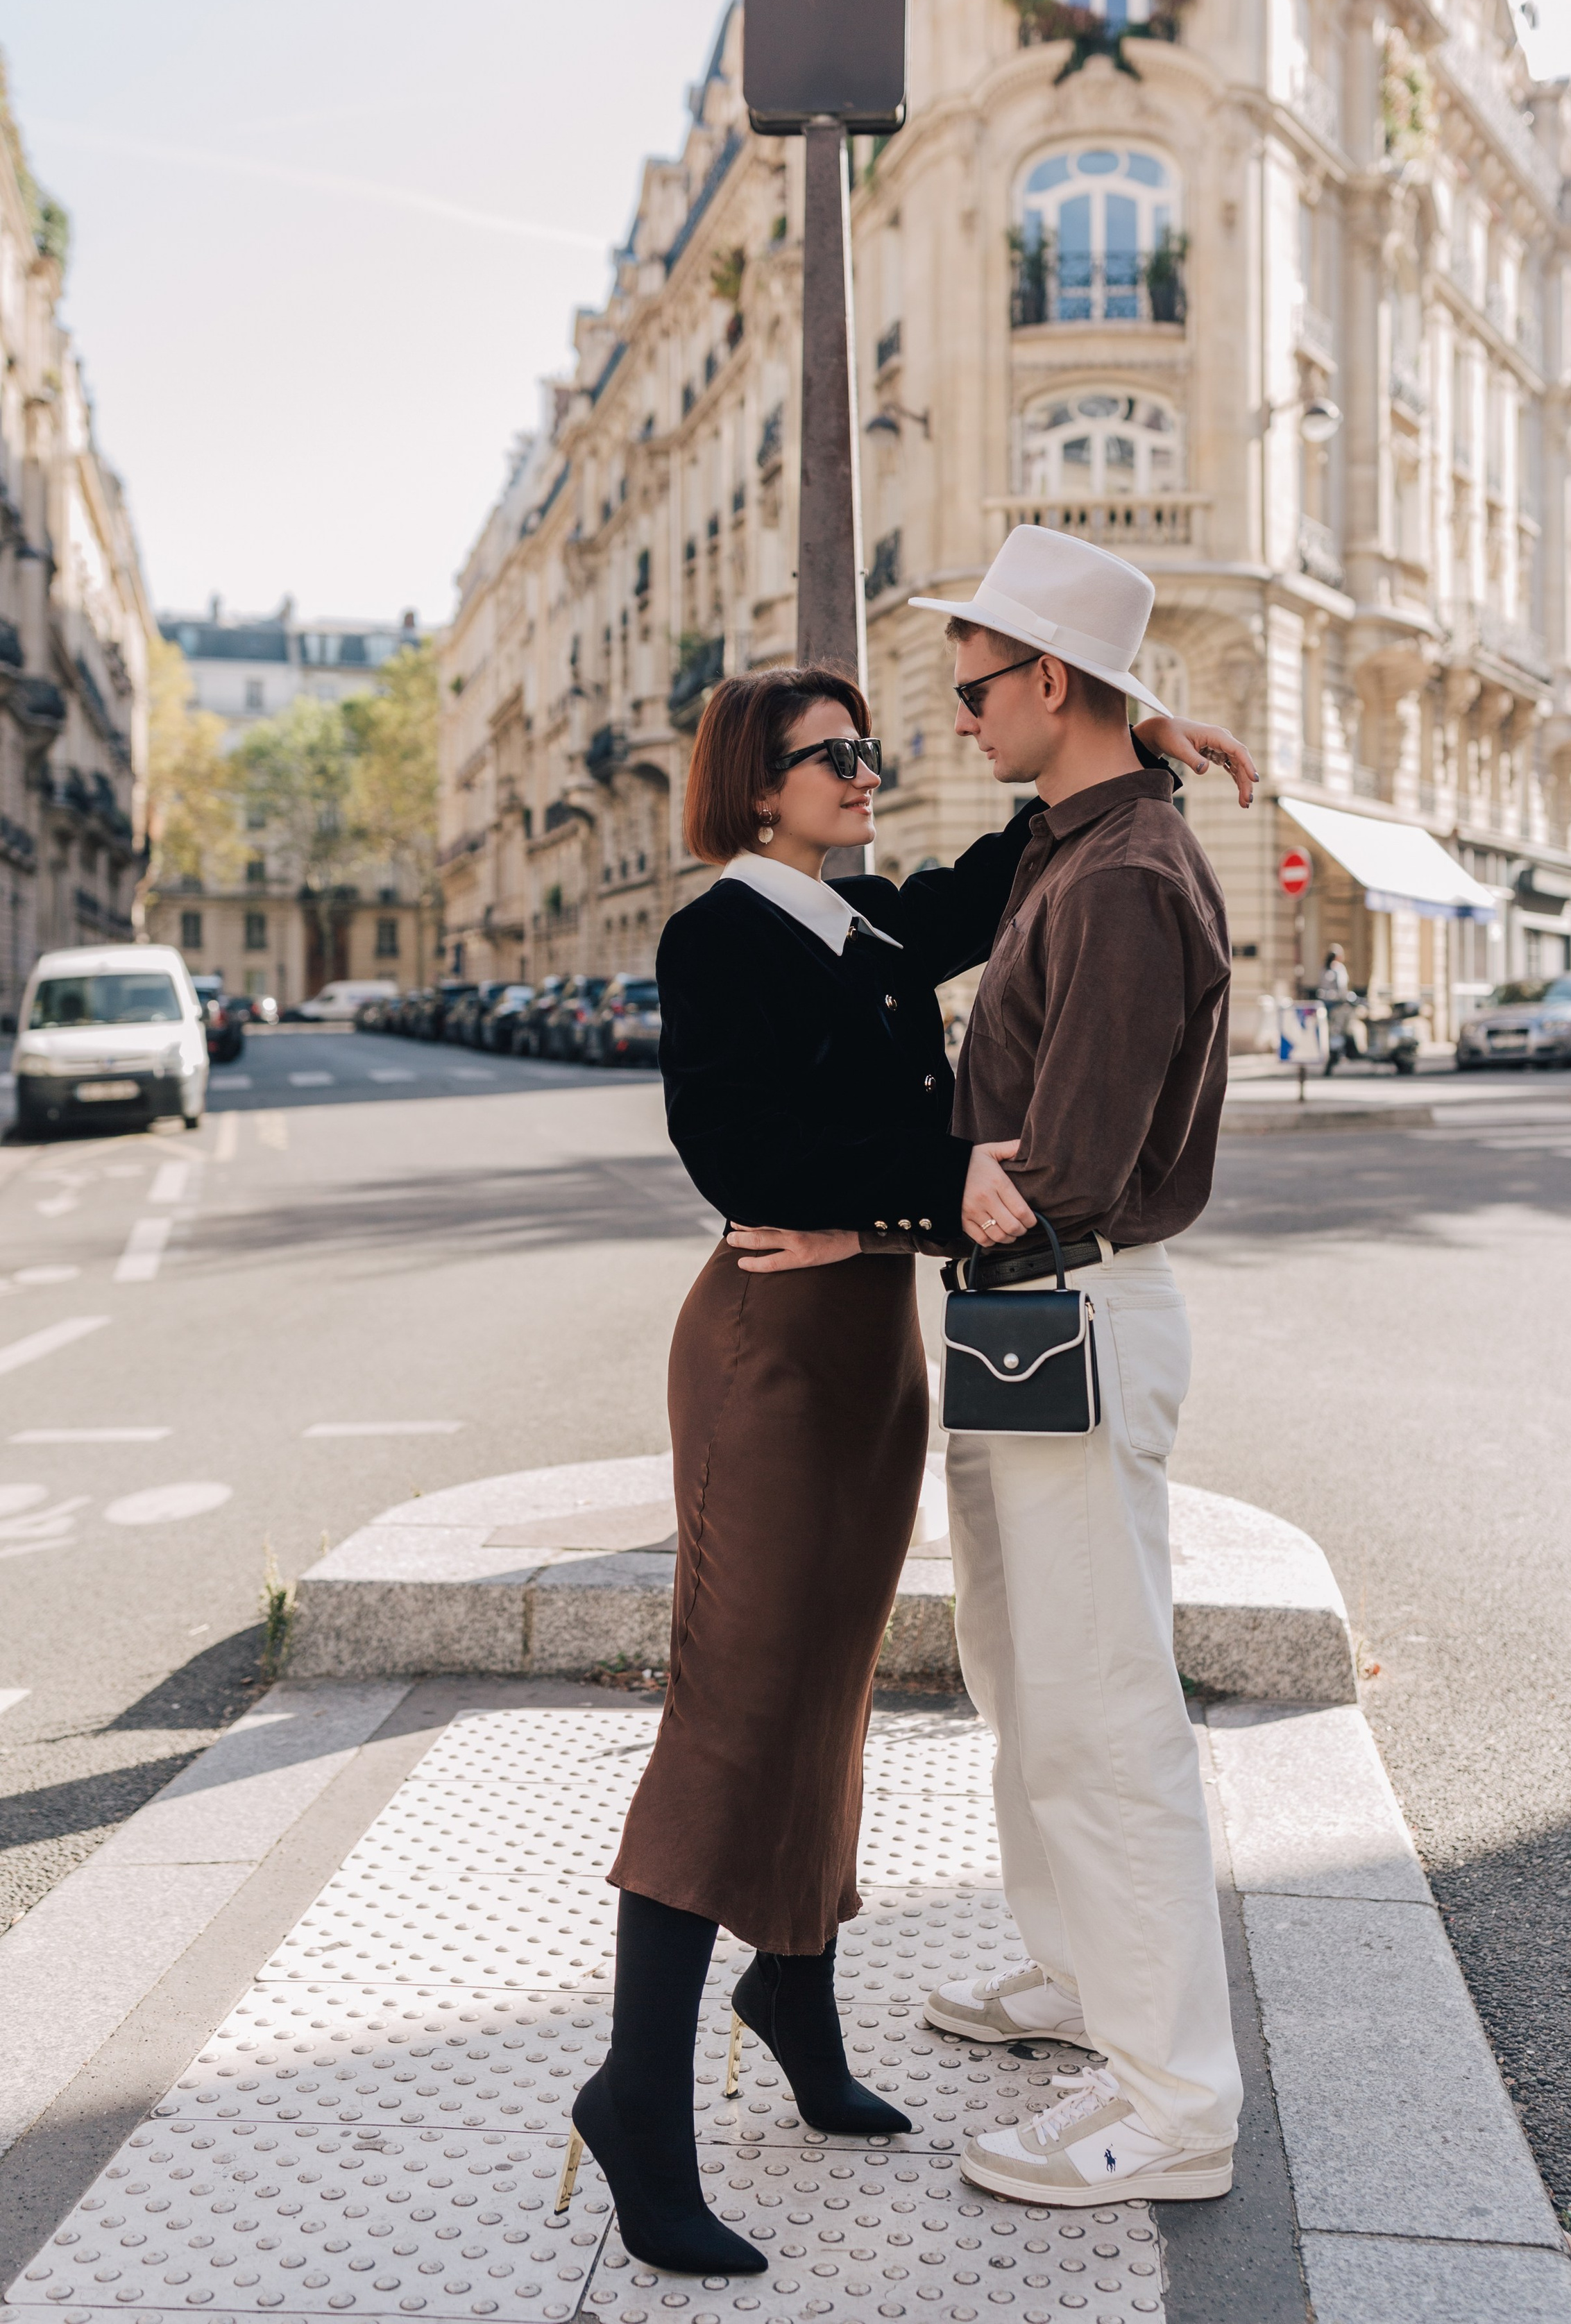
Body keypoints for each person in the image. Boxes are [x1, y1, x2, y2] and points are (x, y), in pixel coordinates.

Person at [561, 660, 1251, 2277]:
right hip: (768, 1352)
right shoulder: (719, 935)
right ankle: (636, 2099)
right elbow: (733, 1151)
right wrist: (933, 1187)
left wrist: (1135, 739)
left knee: (829, 1685)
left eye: (869, 746)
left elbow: (999, 873)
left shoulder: (854, 921)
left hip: (870, 1343)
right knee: (735, 1704)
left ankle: (792, 1996)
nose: (868, 770)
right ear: (757, 785)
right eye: (835, 754)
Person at [895, 524, 1250, 2210]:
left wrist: (911, 1181)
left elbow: (1071, 1164)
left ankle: (1172, 2103)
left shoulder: (1119, 879)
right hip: (1028, 1315)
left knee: (1102, 1710)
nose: (956, 714)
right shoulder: (1083, 832)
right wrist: (1150, 727)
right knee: (1024, 1675)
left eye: (974, 687)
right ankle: (1079, 1981)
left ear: (1047, 678)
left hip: (1071, 1303)